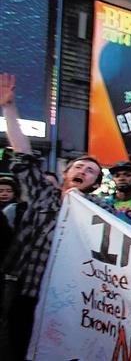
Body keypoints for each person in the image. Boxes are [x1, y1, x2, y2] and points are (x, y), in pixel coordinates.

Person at [1, 73, 107, 359]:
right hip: (23, 290)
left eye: (90, 171)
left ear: (95, 184)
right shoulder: (44, 196)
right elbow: (24, 155)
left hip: (66, 300)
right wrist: (9, 107)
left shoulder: (100, 213)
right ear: (66, 172)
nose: (83, 171)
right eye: (79, 167)